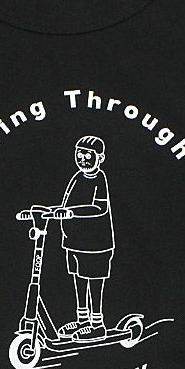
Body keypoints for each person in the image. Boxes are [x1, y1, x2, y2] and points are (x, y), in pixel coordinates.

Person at [46, 135, 115, 340]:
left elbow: (100, 207)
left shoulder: (100, 178)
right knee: (78, 279)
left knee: (94, 280)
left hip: (96, 245)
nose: (82, 159)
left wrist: (71, 212)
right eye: (79, 154)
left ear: (100, 158)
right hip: (73, 242)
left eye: (88, 155)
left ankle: (97, 324)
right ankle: (82, 320)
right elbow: (65, 204)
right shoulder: (77, 177)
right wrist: (50, 211)